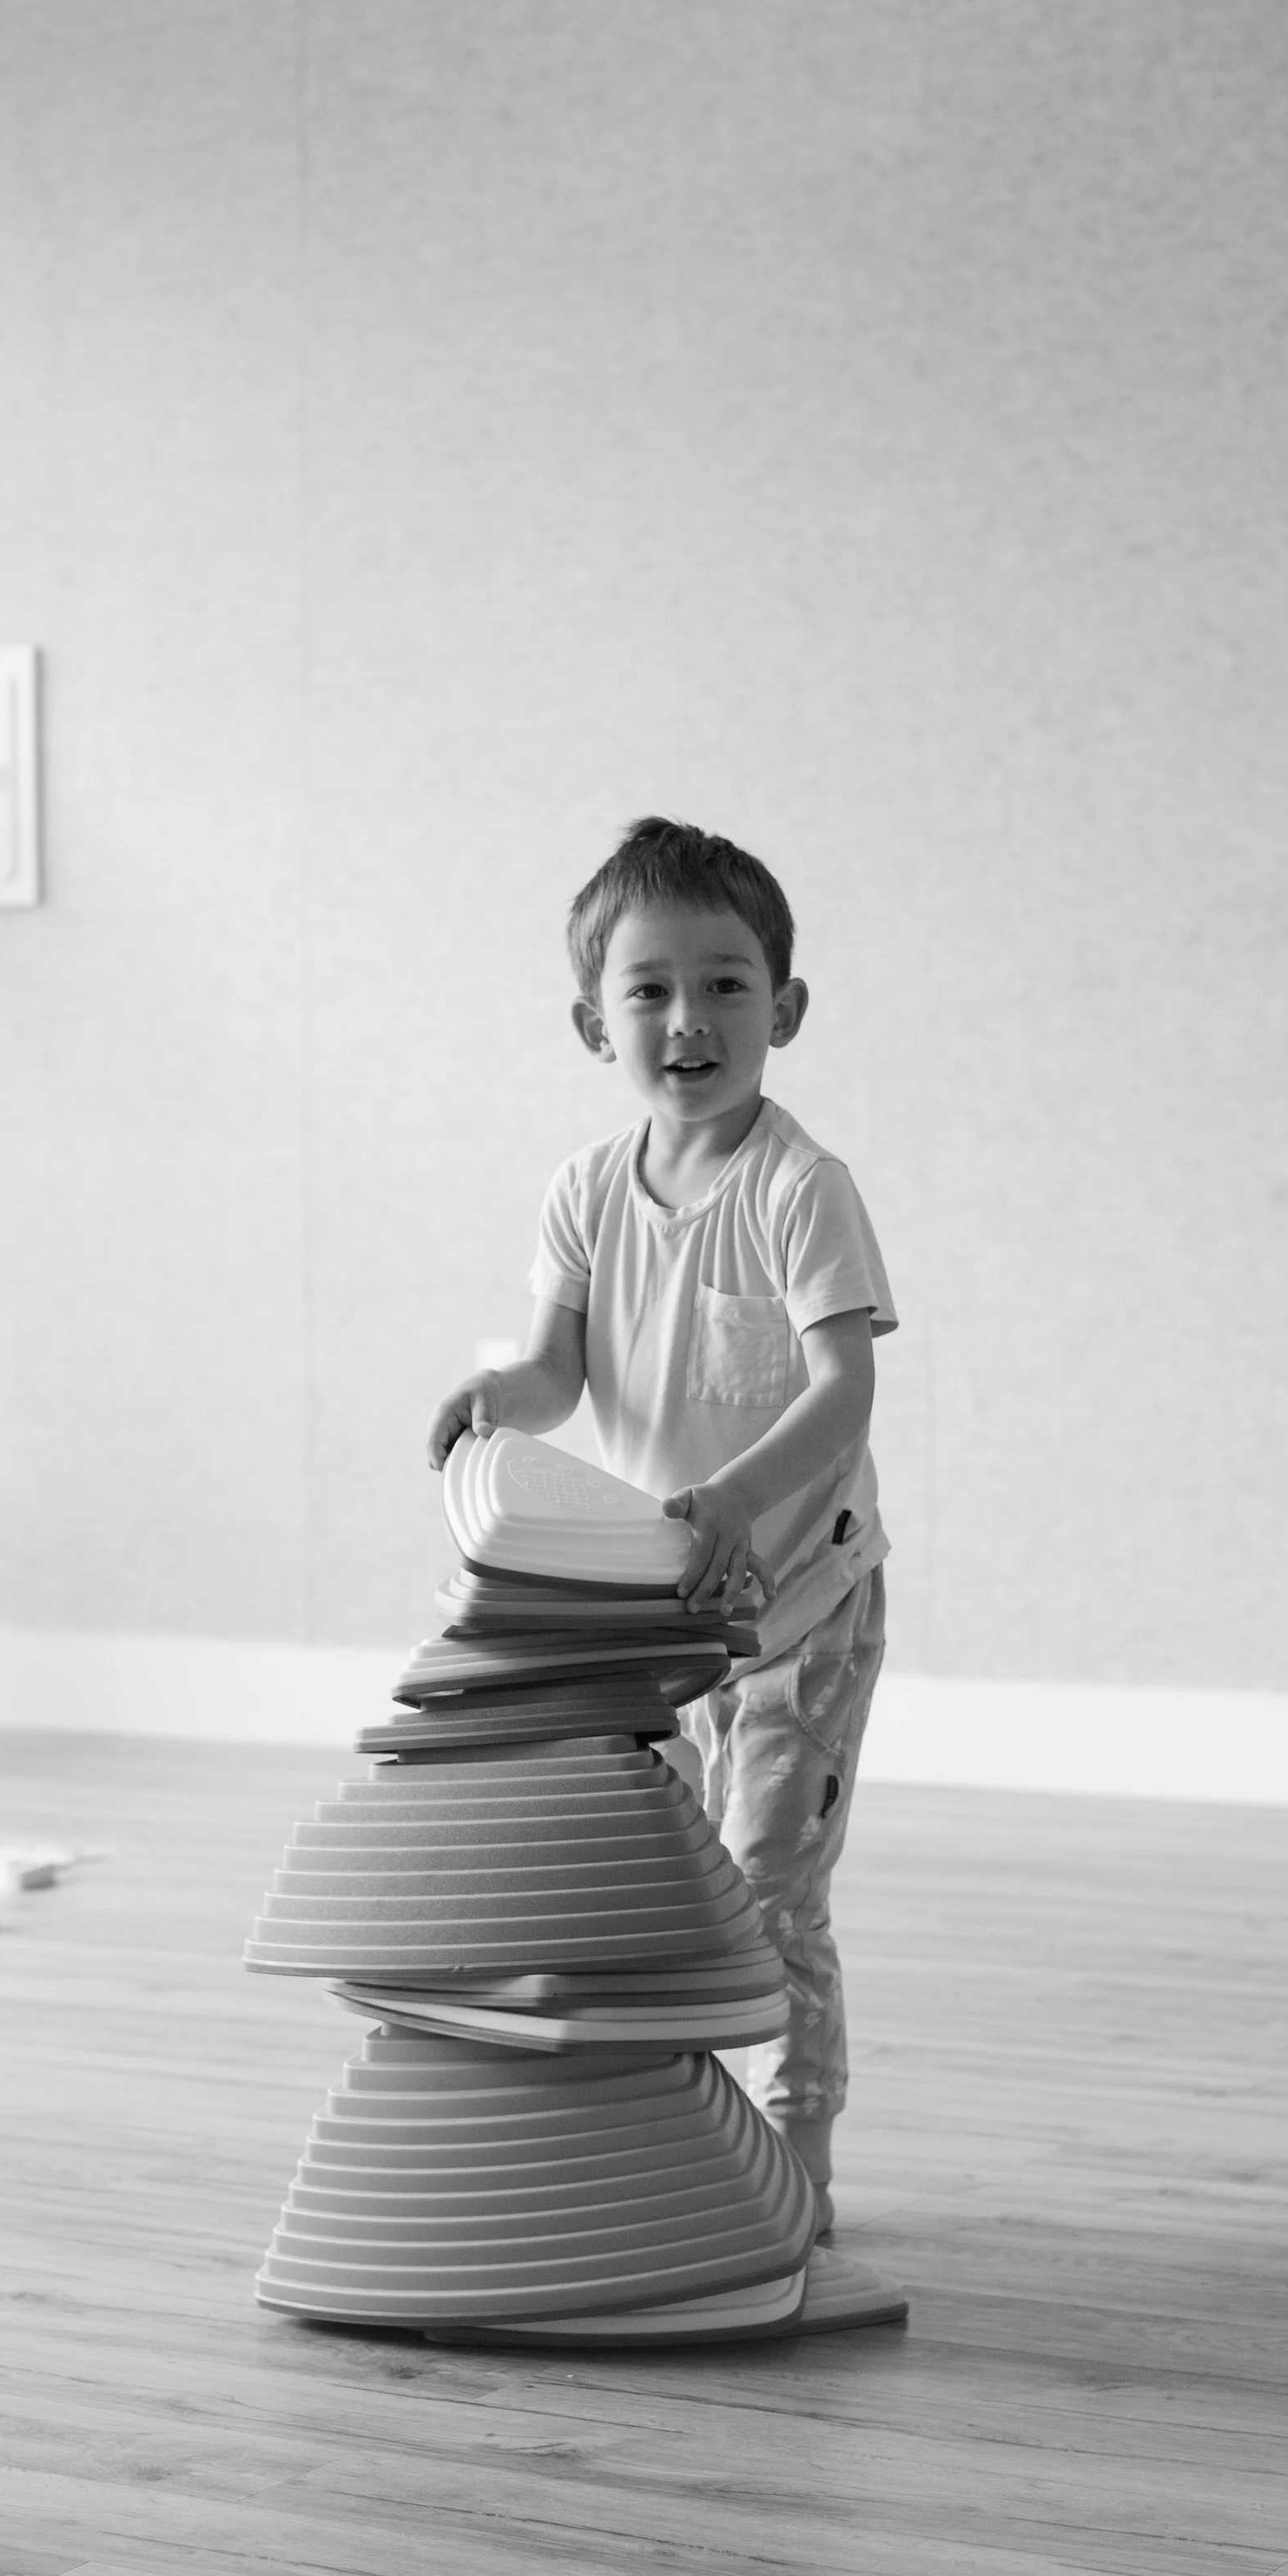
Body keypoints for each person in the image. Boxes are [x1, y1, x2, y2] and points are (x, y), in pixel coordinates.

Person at [427, 816, 894, 2237]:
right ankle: (687, 2142)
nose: (689, 1019)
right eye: (650, 989)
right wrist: (503, 1389)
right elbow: (561, 1370)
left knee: (764, 1888)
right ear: (593, 1020)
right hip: (657, 1620)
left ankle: (795, 2160)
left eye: (726, 984)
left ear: (785, 1009)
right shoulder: (583, 1190)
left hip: (797, 1603)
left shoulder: (800, 1187)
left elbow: (846, 1386)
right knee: (664, 1891)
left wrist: (739, 1498)